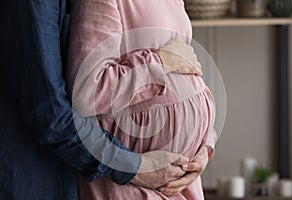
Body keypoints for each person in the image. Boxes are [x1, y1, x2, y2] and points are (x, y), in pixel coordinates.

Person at [0, 0, 211, 199]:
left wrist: (202, 145)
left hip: (179, 177)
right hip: (109, 177)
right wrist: (133, 167)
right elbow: (52, 111)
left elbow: (187, 69)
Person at [67, 0, 217, 199]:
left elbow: (186, 68)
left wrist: (203, 146)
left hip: (182, 181)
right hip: (133, 181)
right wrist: (160, 63)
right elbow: (88, 92)